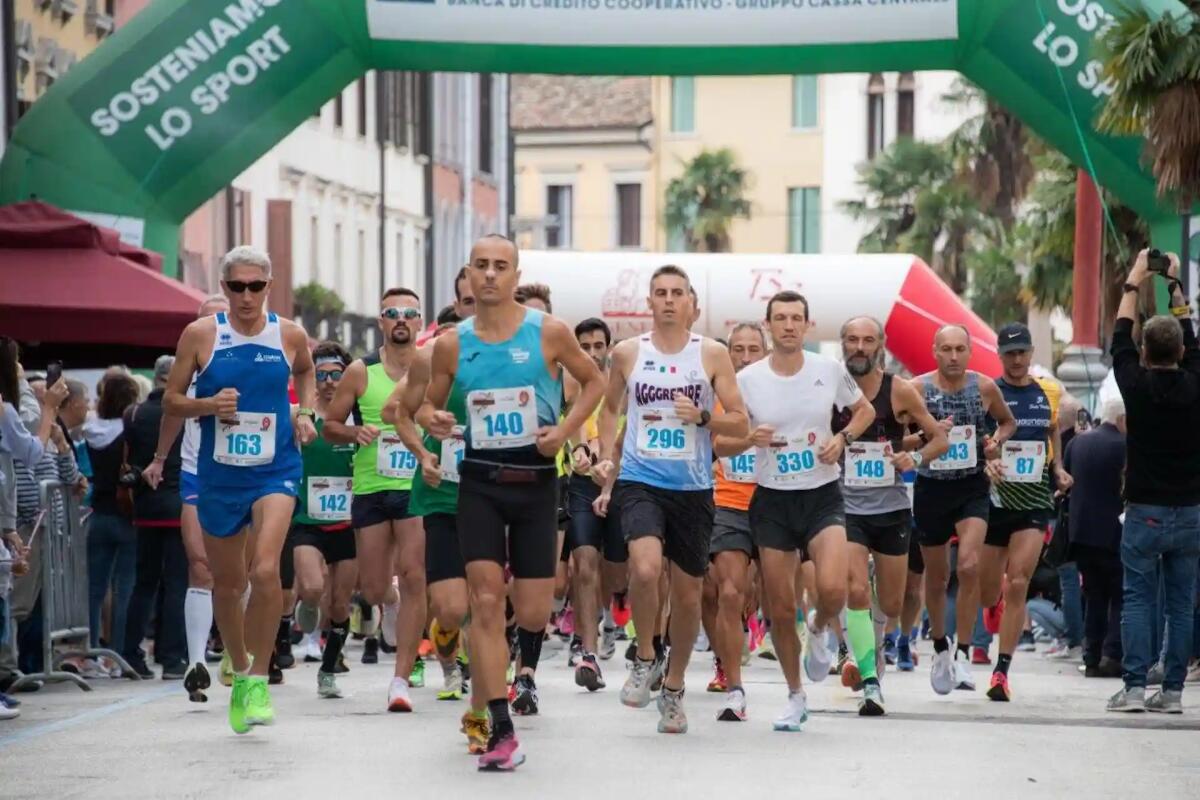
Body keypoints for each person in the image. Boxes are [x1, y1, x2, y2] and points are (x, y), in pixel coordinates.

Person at [424, 234, 603, 770]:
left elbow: (594, 382)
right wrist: (434, 419)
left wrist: (564, 433)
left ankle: (490, 689)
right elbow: (428, 406)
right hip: (479, 482)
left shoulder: (548, 332)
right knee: (484, 601)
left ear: (515, 274)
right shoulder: (452, 343)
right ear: (468, 273)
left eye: (500, 266)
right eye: (480, 265)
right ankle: (498, 724)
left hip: (536, 483)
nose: (489, 274)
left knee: (531, 611)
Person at [163, 245, 317, 734]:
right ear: (224, 287)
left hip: (276, 469)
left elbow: (306, 371)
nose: (246, 296)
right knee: (229, 585)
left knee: (266, 569)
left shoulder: (288, 333)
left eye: (255, 286)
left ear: (269, 286)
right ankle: (239, 663)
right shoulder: (201, 335)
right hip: (221, 474)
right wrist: (208, 406)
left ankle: (257, 680)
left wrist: (308, 413)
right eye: (237, 286)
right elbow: (171, 400)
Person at [595, 264, 748, 735]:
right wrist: (605, 458)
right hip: (640, 480)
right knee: (644, 569)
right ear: (649, 302)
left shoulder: (712, 354)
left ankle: (675, 687)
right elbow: (609, 410)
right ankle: (645, 656)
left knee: (686, 596)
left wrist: (703, 417)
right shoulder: (627, 353)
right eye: (660, 292)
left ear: (690, 303)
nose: (667, 300)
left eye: (676, 293)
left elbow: (739, 420)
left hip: (693, 488)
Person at [713, 292, 874, 730]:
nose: (788, 325)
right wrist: (749, 440)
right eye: (780, 318)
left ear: (808, 325)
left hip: (821, 494)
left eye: (796, 318)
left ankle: (819, 628)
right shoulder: (747, 380)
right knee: (782, 609)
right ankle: (795, 695)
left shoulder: (829, 370)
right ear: (769, 325)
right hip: (772, 499)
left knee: (833, 588)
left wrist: (841, 440)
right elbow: (720, 444)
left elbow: (863, 410)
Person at [836, 316, 947, 715]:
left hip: (892, 509)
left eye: (868, 340)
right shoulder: (828, 386)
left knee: (893, 602)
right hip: (843, 506)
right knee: (855, 588)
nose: (859, 347)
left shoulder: (898, 390)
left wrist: (913, 457)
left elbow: (939, 437)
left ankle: (875, 642)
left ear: (880, 344)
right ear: (842, 343)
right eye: (852, 339)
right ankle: (868, 676)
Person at [323, 287, 427, 711]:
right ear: (381, 321)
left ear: (419, 322)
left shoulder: (430, 367)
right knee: (373, 587)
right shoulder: (360, 372)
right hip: (370, 487)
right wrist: (354, 431)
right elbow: (330, 424)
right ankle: (391, 601)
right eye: (392, 313)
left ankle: (401, 678)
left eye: (409, 313)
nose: (401, 319)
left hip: (415, 486)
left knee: (415, 573)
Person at [1107, 250, 1200, 714]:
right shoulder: (1196, 383)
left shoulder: (1135, 385)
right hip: (1190, 510)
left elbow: (1119, 337)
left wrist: (1134, 279)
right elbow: (1192, 341)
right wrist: (1174, 286)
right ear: (1180, 352)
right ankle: (1174, 693)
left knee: (1138, 599)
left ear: (1144, 353)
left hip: (1144, 508)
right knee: (1181, 604)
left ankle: (1133, 689)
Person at [911, 324, 1016, 696]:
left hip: (971, 486)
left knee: (970, 566)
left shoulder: (984, 387)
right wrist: (925, 436)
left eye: (960, 349)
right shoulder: (917, 389)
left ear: (970, 351)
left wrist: (995, 442)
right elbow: (899, 434)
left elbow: (1008, 422)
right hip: (931, 487)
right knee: (938, 577)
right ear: (934, 351)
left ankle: (964, 650)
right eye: (946, 349)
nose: (953, 356)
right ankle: (940, 645)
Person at [144, 293, 231, 702]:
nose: (210, 328)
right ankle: (196, 663)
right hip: (199, 473)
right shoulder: (189, 362)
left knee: (242, 573)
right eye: (203, 321)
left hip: (246, 476)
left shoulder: (255, 357)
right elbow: (172, 411)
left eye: (217, 320)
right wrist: (160, 458)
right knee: (200, 565)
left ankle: (237, 649)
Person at [978, 323, 1072, 701]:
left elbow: (1052, 430)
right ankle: (995, 604)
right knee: (989, 592)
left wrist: (1058, 468)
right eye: (1010, 353)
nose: (1017, 359)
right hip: (995, 500)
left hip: (1034, 497)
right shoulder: (989, 392)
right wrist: (987, 461)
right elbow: (977, 438)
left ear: (1031, 353)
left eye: (1022, 352)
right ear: (999, 355)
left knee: (1018, 582)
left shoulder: (1048, 390)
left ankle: (1001, 672)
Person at [284, 341, 358, 699]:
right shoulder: (298, 416)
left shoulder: (358, 416)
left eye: (336, 375)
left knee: (340, 604)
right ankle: (308, 606)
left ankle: (328, 670)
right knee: (313, 587)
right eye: (322, 374)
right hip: (308, 519)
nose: (329, 382)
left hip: (349, 522)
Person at [704, 322, 767, 720]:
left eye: (753, 349)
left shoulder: (781, 391)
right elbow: (714, 443)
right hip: (726, 502)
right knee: (726, 592)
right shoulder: (714, 395)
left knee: (775, 597)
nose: (745, 357)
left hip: (775, 501)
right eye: (737, 349)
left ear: (765, 352)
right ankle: (733, 683)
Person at [563, 317, 625, 691]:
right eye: (584, 346)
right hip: (582, 485)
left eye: (598, 346)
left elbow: (626, 429)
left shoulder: (622, 381)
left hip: (622, 484)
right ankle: (587, 652)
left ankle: (610, 614)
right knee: (584, 563)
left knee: (616, 573)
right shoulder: (570, 381)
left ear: (608, 347)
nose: (591, 353)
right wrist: (580, 452)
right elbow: (570, 424)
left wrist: (609, 464)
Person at [121, 356, 189, 680]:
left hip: (146, 507)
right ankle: (172, 657)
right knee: (177, 583)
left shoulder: (133, 414)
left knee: (144, 583)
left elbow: (127, 460)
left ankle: (130, 654)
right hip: (179, 505)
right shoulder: (186, 412)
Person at [1063, 397, 1126, 678]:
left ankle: (1091, 657)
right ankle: (1113, 655)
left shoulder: (1077, 443)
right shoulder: (1125, 445)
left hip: (1081, 533)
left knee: (1093, 595)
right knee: (1120, 596)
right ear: (1122, 419)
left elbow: (1065, 481)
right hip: (1114, 533)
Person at [84, 372, 141, 665]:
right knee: (124, 588)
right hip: (127, 515)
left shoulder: (90, 431)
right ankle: (118, 655)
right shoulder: (129, 431)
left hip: (98, 514)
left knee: (94, 589)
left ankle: (91, 651)